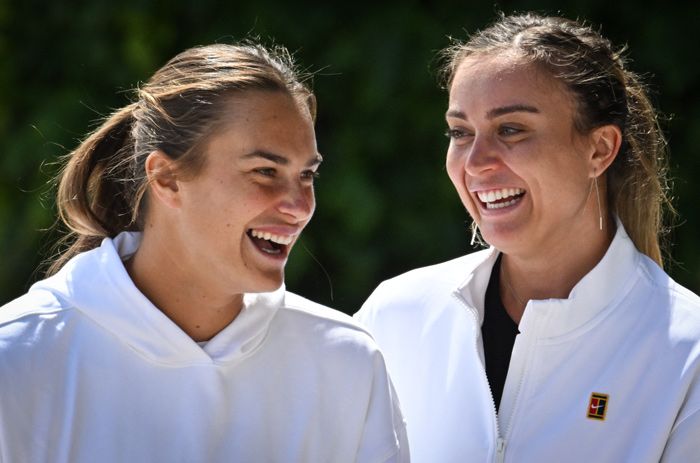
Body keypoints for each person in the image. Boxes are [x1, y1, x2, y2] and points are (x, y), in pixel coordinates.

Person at [0, 42, 408, 462]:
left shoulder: (347, 362)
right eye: (265, 171)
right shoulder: (17, 361)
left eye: (306, 175)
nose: (300, 206)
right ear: (167, 178)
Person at [355, 13, 700, 462]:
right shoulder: (396, 313)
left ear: (600, 149)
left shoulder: (688, 352)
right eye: (460, 133)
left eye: (511, 129)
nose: (475, 162)